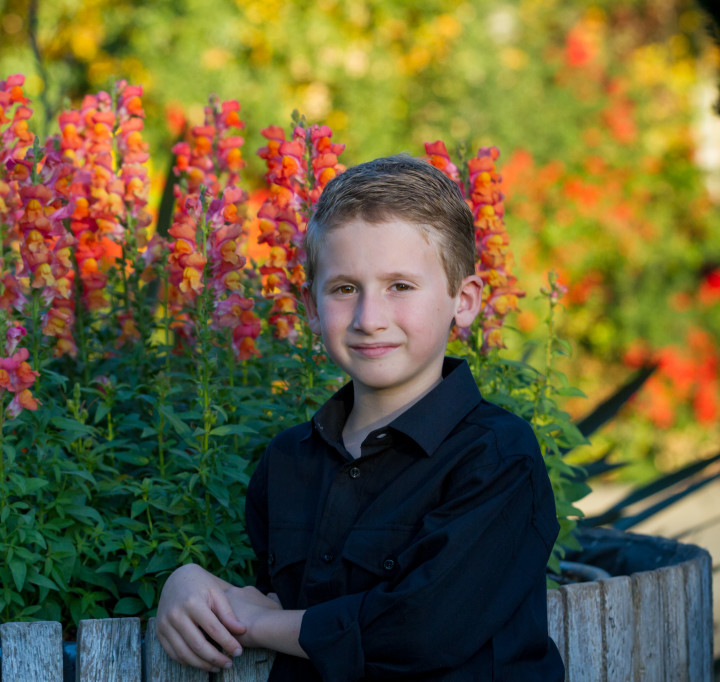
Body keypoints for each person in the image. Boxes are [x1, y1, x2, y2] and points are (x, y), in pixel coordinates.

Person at [155, 154, 566, 681]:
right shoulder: (288, 460)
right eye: (345, 288)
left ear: (463, 301)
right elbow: (275, 599)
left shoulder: (496, 457)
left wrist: (257, 625)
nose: (370, 319)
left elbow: (421, 628)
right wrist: (185, 583)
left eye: (401, 286)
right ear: (311, 304)